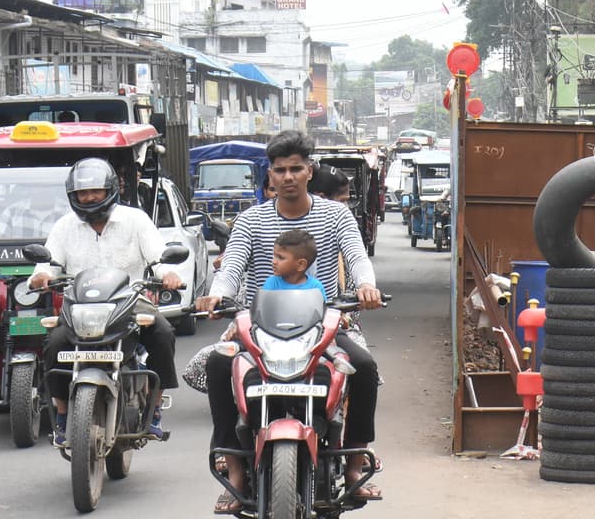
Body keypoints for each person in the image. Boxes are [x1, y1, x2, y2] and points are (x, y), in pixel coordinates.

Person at [195, 130, 383, 513]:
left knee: (363, 367)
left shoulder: (336, 215)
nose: (288, 177)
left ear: (309, 171)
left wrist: (366, 285)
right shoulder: (250, 220)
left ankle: (353, 463)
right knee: (217, 363)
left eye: (296, 168)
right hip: (258, 328)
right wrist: (218, 295)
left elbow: (358, 256)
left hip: (327, 325)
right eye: (280, 170)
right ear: (270, 175)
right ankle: (233, 467)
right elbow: (231, 267)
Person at [29, 158, 182, 446]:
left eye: (95, 191)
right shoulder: (65, 226)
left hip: (130, 303)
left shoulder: (135, 220)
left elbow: (158, 258)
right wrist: (41, 276)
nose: (88, 198)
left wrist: (169, 273)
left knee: (162, 333)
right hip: (79, 309)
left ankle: (155, 408)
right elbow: (48, 264)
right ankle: (62, 416)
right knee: (54, 343)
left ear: (110, 189)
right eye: (81, 193)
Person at [263, 229, 326, 298]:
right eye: (274, 256)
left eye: (280, 257)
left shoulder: (315, 288)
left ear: (301, 265)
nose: (274, 261)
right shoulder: (272, 283)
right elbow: (266, 307)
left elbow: (320, 308)